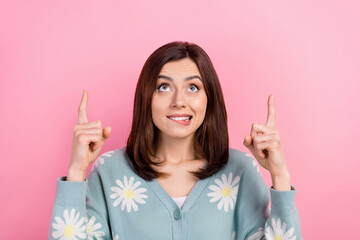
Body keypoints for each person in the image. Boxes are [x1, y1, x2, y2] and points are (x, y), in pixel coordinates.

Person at [48, 41, 302, 240]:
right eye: (163, 87)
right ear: (146, 98)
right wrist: (76, 172)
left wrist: (280, 176)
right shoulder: (110, 171)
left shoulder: (240, 170)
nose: (179, 100)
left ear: (209, 99)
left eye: (193, 87)